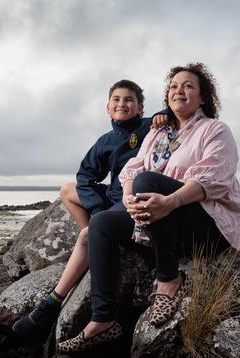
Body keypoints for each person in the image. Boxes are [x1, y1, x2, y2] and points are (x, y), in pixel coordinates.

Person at [56, 62, 240, 354]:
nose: (178, 90)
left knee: (148, 181)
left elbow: (215, 179)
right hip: (162, 225)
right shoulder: (158, 133)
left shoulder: (215, 130)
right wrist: (129, 197)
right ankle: (102, 320)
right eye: (173, 86)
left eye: (188, 86)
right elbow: (132, 168)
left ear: (203, 98)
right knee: (101, 223)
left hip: (206, 225)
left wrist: (171, 200)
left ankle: (168, 279)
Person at [12, 80, 168, 339]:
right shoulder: (105, 141)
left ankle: (51, 303)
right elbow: (85, 175)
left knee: (87, 234)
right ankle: (92, 236)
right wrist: (97, 207)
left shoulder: (148, 126)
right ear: (108, 107)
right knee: (67, 190)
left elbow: (175, 113)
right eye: (116, 100)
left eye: (129, 99)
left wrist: (164, 114)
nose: (122, 104)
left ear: (140, 108)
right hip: (113, 197)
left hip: (135, 196)